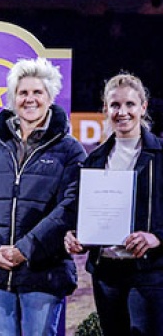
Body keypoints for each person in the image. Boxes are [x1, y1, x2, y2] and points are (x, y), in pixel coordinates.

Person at [0, 57, 86, 336]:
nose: (30, 99)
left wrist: (25, 249)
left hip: (43, 272)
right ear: (13, 98)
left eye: (37, 92)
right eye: (23, 92)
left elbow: (71, 207)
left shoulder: (70, 150)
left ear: (50, 96)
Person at [64, 73, 163, 334]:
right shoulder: (93, 160)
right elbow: (82, 214)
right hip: (106, 274)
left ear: (143, 107)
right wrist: (76, 236)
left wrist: (157, 238)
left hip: (149, 273)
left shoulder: (161, 156)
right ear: (105, 109)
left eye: (130, 104)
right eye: (115, 105)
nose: (122, 112)